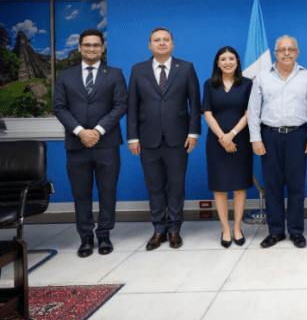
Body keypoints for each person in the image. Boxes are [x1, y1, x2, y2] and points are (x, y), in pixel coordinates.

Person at [53, 28, 127, 257]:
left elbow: (121, 105)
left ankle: (104, 234)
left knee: (108, 192)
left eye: (96, 45)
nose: (91, 48)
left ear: (102, 48)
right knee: (81, 193)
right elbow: (59, 108)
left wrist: (97, 130)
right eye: (87, 45)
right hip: (77, 145)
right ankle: (85, 237)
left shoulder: (115, 74)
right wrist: (80, 132)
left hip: (107, 144)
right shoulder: (65, 76)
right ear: (79, 48)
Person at [127, 27, 201, 251]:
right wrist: (132, 137)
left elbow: (194, 103)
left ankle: (174, 229)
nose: (161, 43)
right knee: (154, 186)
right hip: (147, 138)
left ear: (172, 44)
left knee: (177, 186)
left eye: (166, 39)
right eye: (156, 40)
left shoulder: (186, 68)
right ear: (150, 45)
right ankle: (158, 229)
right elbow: (132, 105)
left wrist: (193, 132)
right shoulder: (138, 69)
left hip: (178, 138)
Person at [248, 35, 307, 249]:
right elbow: (253, 110)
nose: (287, 53)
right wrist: (256, 138)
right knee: (272, 186)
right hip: (269, 136)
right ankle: (276, 231)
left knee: (297, 186)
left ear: (297, 53)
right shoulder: (262, 77)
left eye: (291, 49)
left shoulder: (306, 76)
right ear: (275, 53)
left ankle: (296, 231)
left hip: (298, 136)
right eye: (282, 49)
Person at [202, 46, 253, 248]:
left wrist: (231, 134)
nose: (227, 62)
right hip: (216, 141)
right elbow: (207, 113)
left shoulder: (247, 84)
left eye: (231, 58)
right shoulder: (209, 84)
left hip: (240, 139)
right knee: (220, 186)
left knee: (240, 185)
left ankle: (237, 227)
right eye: (223, 59)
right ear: (217, 63)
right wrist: (222, 137)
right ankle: (225, 228)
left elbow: (249, 113)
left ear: (237, 61)